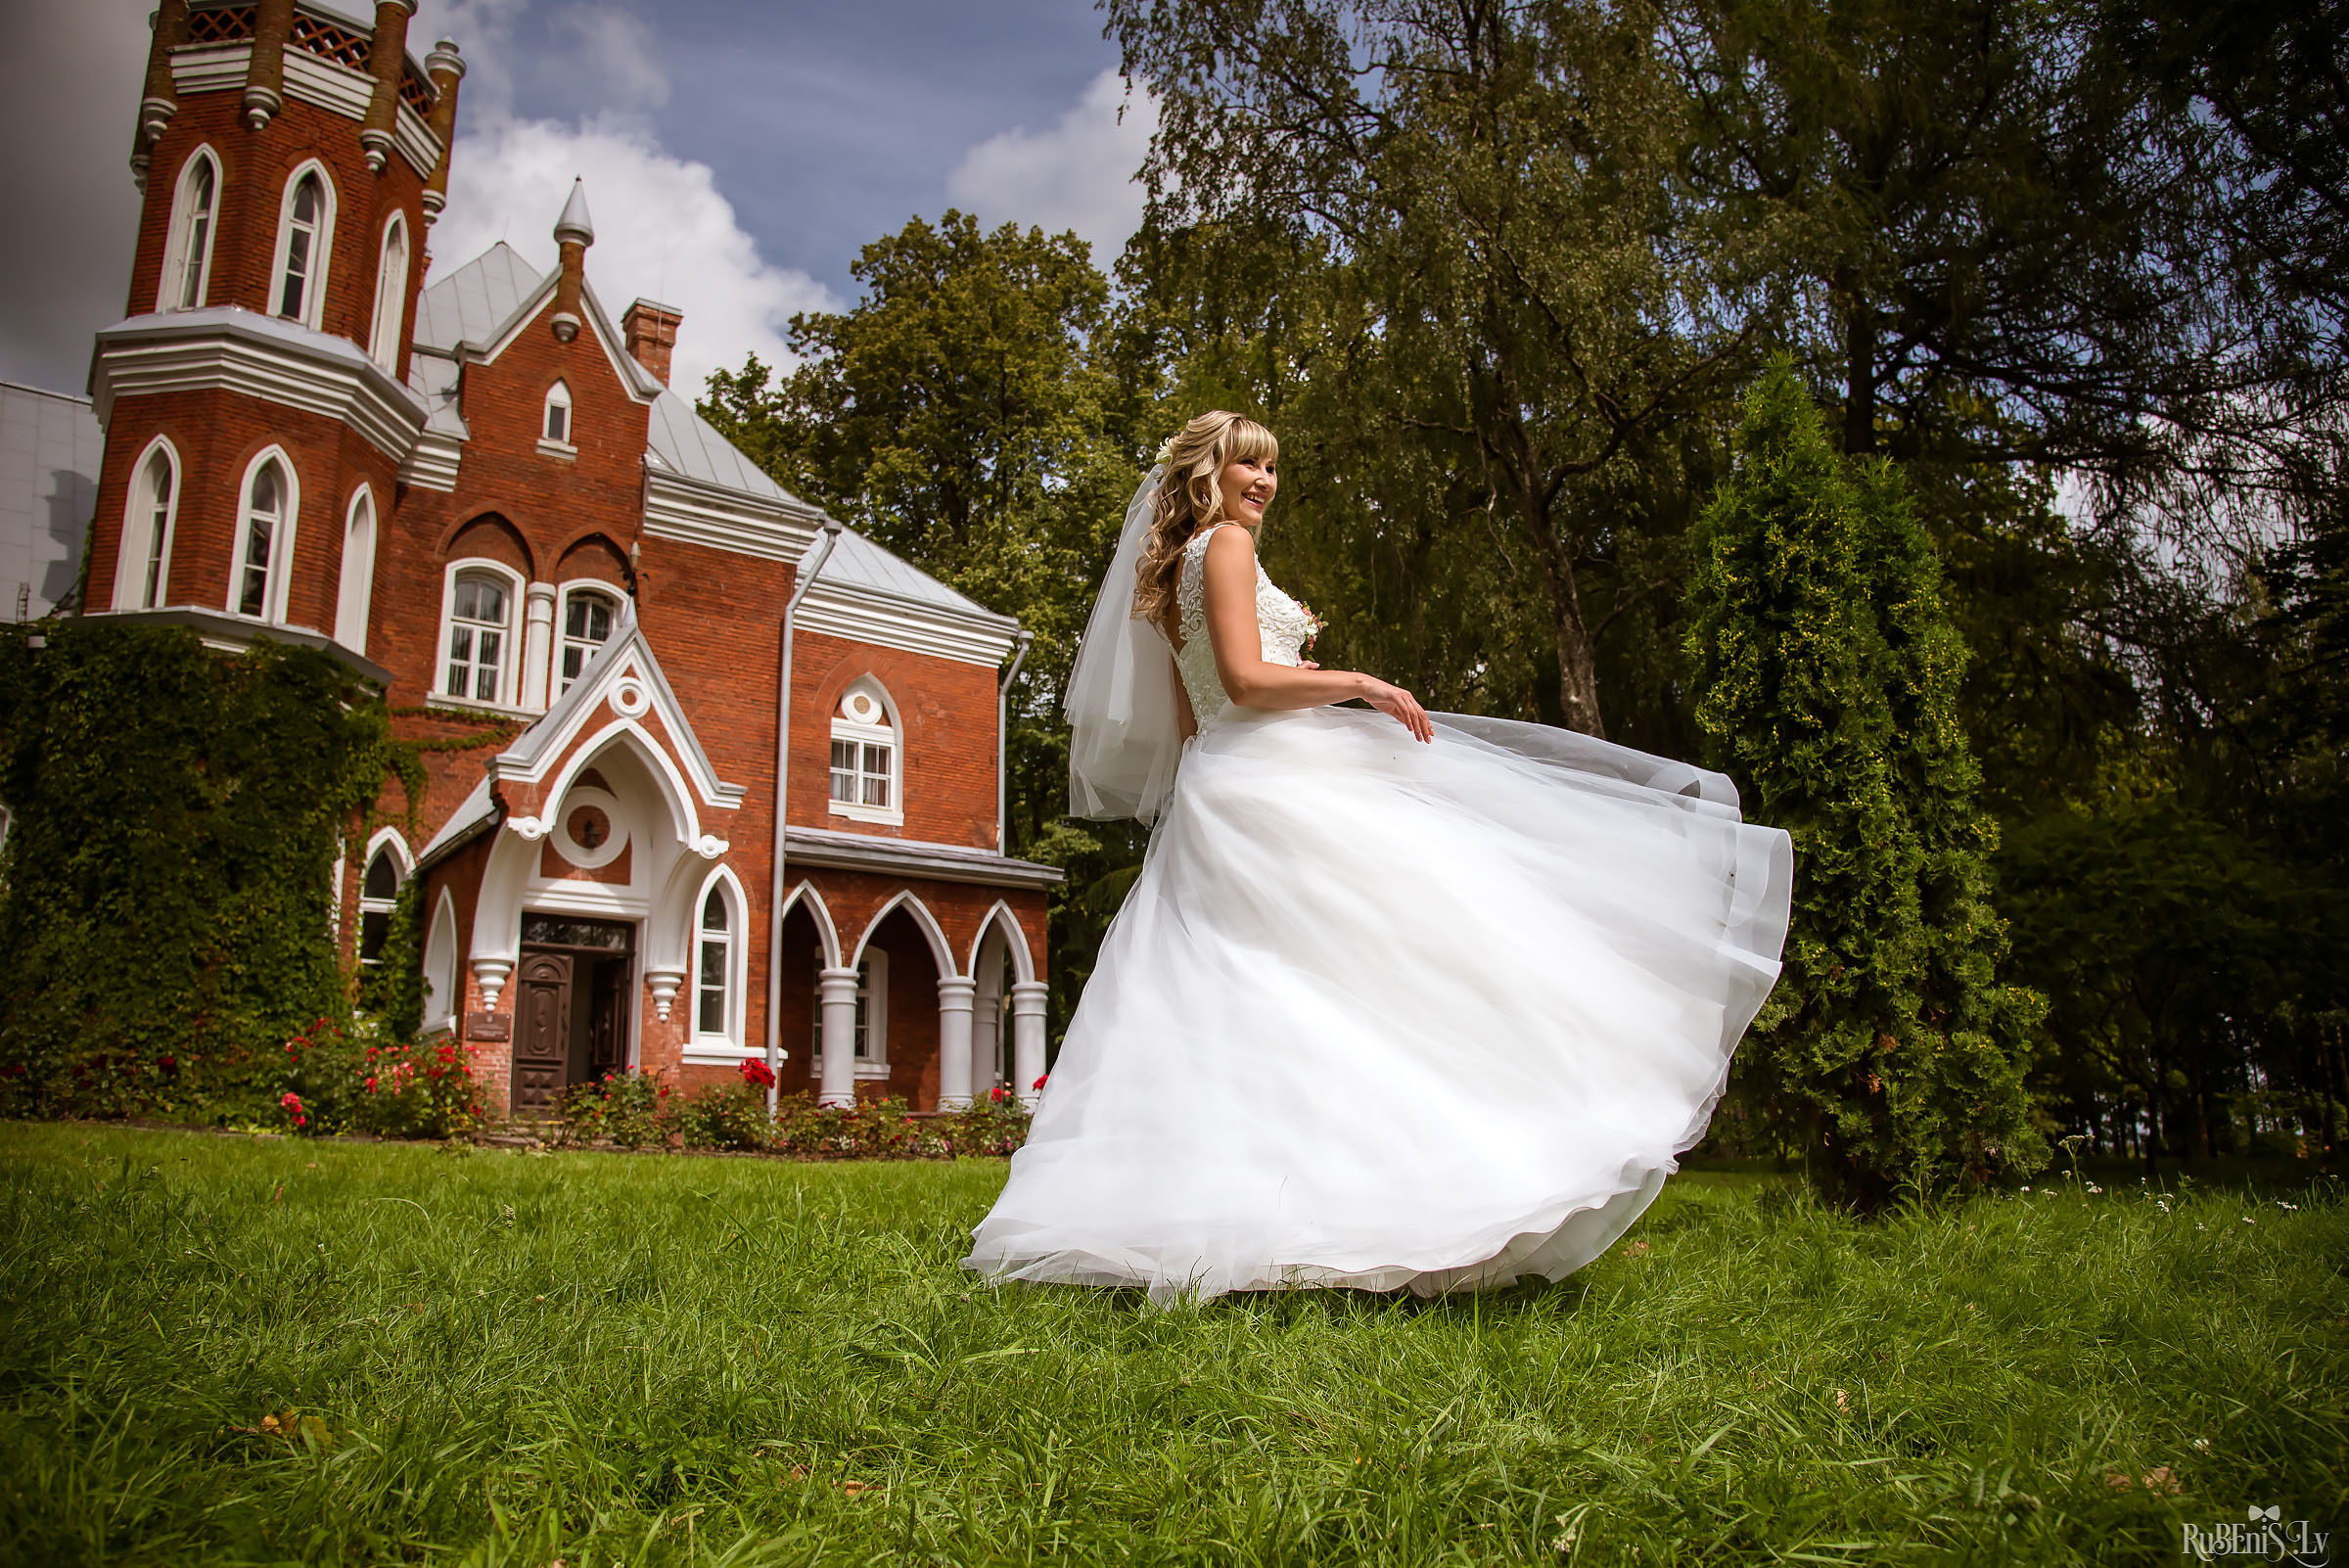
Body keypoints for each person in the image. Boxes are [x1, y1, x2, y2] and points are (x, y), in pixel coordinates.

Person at [962, 411, 1793, 1304]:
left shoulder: (1172, 569)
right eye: (1249, 466)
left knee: (1253, 989)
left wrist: (1225, 776)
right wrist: (1356, 684)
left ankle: (1231, 1208)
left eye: (1274, 467)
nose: (1266, 482)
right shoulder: (1227, 548)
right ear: (1209, 472)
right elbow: (1244, 682)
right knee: (1390, 960)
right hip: (1270, 774)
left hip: (1224, 779)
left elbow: (1196, 717)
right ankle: (1411, 1188)